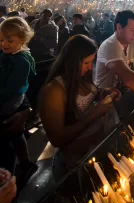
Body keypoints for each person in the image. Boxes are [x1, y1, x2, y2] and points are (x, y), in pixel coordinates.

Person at [39, 35, 121, 179]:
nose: (90, 68)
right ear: (71, 61)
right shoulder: (54, 91)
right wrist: (95, 113)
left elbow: (90, 96)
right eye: (86, 62)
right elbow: (57, 139)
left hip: (97, 152)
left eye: (92, 62)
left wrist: (104, 92)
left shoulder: (83, 77)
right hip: (76, 163)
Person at [0, 17, 38, 186]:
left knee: (11, 134)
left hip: (11, 100)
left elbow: (13, 88)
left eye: (9, 40)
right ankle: (25, 163)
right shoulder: (8, 54)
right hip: (10, 96)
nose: (4, 44)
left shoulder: (21, 60)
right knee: (16, 136)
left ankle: (22, 167)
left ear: (22, 40)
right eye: (1, 40)